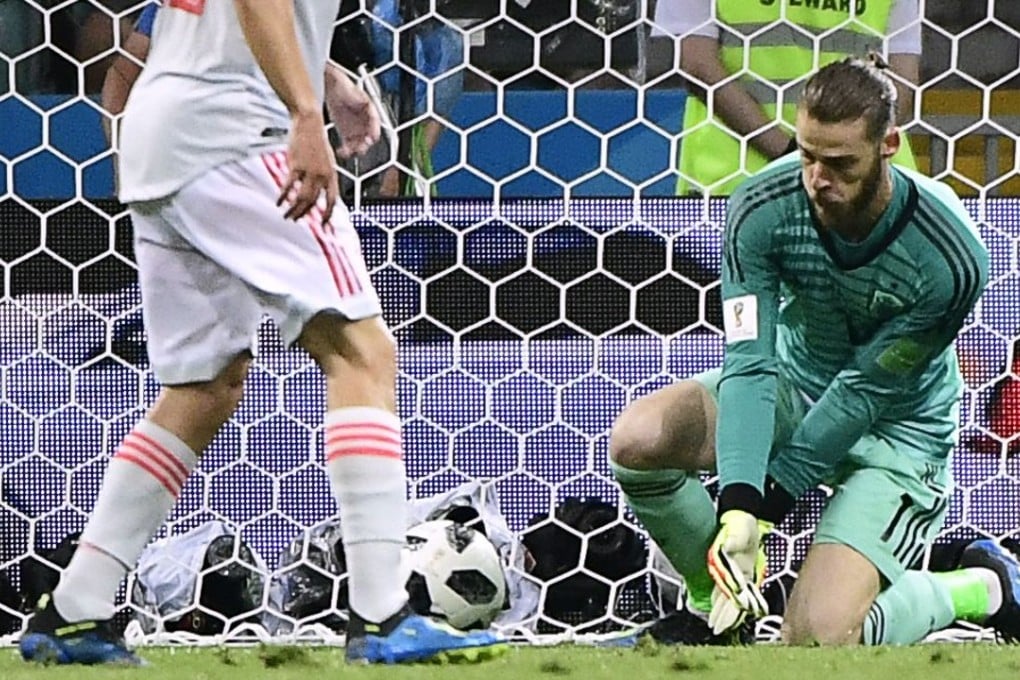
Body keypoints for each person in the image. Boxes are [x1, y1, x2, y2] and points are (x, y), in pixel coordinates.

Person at [19, 0, 505, 666]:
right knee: (362, 353)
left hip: (164, 130)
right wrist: (305, 111)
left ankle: (75, 609)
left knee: (204, 388)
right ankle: (381, 614)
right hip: (239, 133)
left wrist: (326, 78)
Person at [609, 56, 1020, 647]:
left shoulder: (949, 256)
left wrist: (767, 508)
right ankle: (716, 609)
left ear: (888, 147)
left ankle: (981, 587)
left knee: (818, 640)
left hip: (897, 433)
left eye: (841, 163)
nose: (817, 179)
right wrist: (739, 506)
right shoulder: (762, 207)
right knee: (639, 440)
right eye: (807, 155)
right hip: (794, 388)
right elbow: (750, 363)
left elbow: (864, 392)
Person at [655, 0, 920, 196]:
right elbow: (902, 84)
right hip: (858, 180)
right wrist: (838, 159)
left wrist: (799, 156)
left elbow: (697, 64)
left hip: (739, 179)